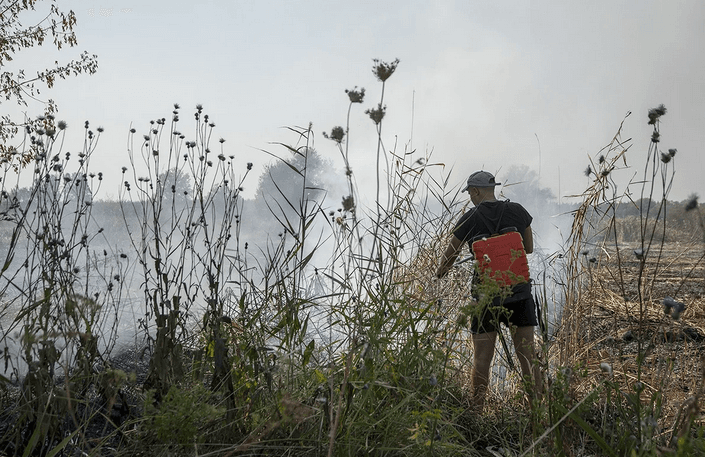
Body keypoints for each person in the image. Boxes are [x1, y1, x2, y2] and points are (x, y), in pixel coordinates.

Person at [436, 170, 543, 409]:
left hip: (485, 298)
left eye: (470, 193)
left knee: (482, 359)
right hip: (520, 293)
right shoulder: (518, 211)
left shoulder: (469, 218)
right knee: (528, 357)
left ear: (475, 191)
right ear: (493, 188)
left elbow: (447, 260)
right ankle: (538, 412)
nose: (470, 197)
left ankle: (476, 413)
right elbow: (528, 248)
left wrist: (439, 275)